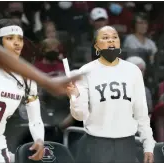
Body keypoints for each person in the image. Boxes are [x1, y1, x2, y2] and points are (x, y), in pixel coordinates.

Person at [0, 19, 82, 163]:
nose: (17, 43)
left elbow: (35, 119)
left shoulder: (26, 80)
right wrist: (47, 82)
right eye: (9, 38)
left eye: (20, 39)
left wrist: (39, 140)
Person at [66, 26, 155, 163]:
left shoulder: (133, 70)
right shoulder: (86, 71)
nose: (111, 41)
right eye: (105, 38)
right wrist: (74, 97)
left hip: (127, 143)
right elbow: (80, 115)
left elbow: (141, 113)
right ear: (96, 46)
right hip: (96, 143)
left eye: (115, 37)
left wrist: (148, 144)